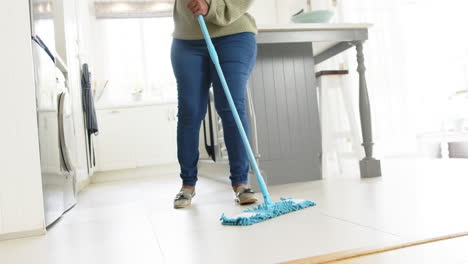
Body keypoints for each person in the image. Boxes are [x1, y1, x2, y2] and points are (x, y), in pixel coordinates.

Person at [171, 0, 258, 208]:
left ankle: (241, 183)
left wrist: (212, 6)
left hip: (233, 35)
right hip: (187, 39)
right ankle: (187, 184)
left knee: (230, 107)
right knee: (189, 112)